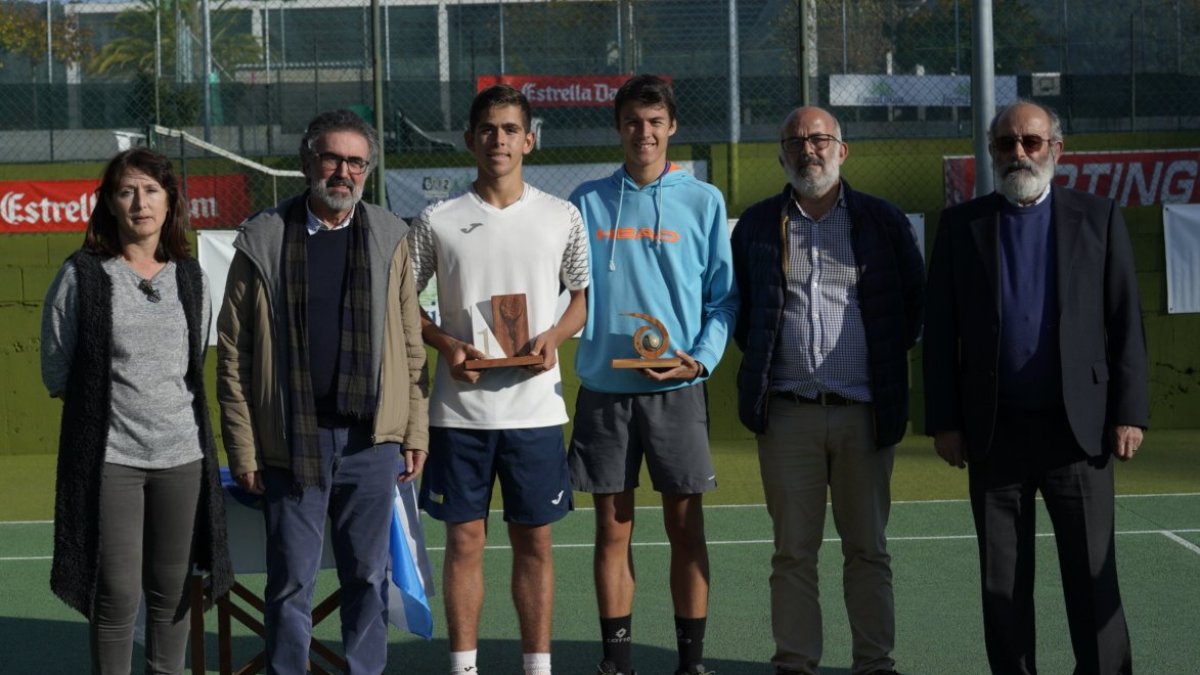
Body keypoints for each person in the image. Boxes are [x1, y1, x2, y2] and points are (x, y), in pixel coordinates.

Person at [923, 100, 1148, 675]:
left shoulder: (1097, 216)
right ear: (993, 152)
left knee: (1094, 577)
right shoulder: (960, 227)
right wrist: (945, 421)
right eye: (1006, 144)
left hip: (1081, 433)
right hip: (994, 435)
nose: (1019, 153)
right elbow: (941, 334)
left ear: (1057, 149)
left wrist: (1130, 413)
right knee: (1003, 586)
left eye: (1031, 142)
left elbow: (1125, 322)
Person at [216, 109, 429, 674]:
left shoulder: (390, 235)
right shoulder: (261, 238)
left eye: (356, 162)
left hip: (372, 444)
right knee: (291, 585)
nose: (344, 172)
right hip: (291, 445)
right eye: (333, 158)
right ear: (309, 162)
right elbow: (233, 357)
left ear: (367, 171)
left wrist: (415, 430)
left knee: (367, 577)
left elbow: (412, 346)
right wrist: (243, 449)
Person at [730, 106, 922, 675]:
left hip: (865, 412)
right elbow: (746, 314)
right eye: (794, 141)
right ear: (781, 155)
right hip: (788, 413)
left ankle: (874, 663)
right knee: (793, 554)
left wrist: (884, 361)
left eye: (819, 139)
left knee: (868, 550)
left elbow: (913, 304)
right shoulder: (759, 225)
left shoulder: (883, 221)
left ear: (843, 149)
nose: (807, 150)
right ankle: (795, 663)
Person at [410, 84, 589, 675]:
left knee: (535, 544)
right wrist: (447, 343)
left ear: (529, 139)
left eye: (511, 129)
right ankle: (464, 667)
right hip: (458, 414)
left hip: (536, 412)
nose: (499, 140)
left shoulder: (562, 215)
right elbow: (405, 305)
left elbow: (581, 300)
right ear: (469, 140)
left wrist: (552, 340)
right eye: (488, 129)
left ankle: (536, 667)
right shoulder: (437, 218)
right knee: (463, 544)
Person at [568, 74, 738, 675]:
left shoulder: (704, 200)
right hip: (605, 393)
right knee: (611, 534)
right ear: (619, 127)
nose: (644, 132)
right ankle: (617, 664)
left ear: (672, 128)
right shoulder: (584, 202)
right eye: (633, 122)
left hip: (677, 391)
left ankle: (690, 663)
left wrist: (701, 359)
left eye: (655, 122)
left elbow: (723, 300)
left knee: (686, 530)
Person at [42, 147, 234, 674]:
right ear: (109, 202)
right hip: (111, 460)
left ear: (171, 201)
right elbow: (57, 371)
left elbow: (190, 366)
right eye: (127, 191)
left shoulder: (191, 278)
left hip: (182, 458)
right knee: (116, 594)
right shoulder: (81, 276)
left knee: (172, 594)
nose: (140, 202)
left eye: (151, 190)